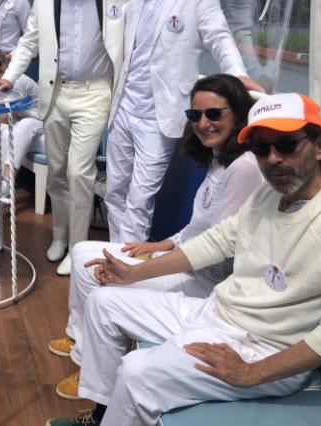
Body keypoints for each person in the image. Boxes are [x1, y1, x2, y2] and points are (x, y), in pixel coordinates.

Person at [46, 92, 321, 426]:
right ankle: (102, 414)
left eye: (287, 145)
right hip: (218, 311)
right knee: (103, 303)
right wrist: (133, 274)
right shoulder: (269, 195)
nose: (273, 159)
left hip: (262, 347)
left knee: (136, 371)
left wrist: (252, 372)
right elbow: (216, 240)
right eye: (262, 148)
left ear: (319, 146)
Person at [48, 74, 263, 401]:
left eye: (214, 114)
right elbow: (200, 226)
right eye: (195, 115)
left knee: (102, 286)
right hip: (188, 262)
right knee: (82, 252)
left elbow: (215, 246)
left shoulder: (244, 168)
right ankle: (83, 346)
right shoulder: (221, 159)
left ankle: (95, 377)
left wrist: (138, 271)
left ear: (238, 113)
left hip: (206, 281)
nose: (203, 123)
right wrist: (157, 245)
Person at [0, 0, 139, 276]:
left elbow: (150, 0)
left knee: (79, 172)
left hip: (95, 92)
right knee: (56, 173)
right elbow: (29, 42)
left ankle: (78, 249)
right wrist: (8, 78)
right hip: (55, 92)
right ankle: (59, 235)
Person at [105, 0, 262, 245]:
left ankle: (125, 268)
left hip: (158, 116)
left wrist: (239, 74)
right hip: (123, 109)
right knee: (114, 191)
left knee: (139, 198)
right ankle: (115, 251)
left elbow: (218, 35)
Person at [0, 49, 42, 178]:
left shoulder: (17, 81)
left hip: (37, 121)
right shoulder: (0, 82)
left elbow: (9, 114)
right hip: (20, 117)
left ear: (6, 62)